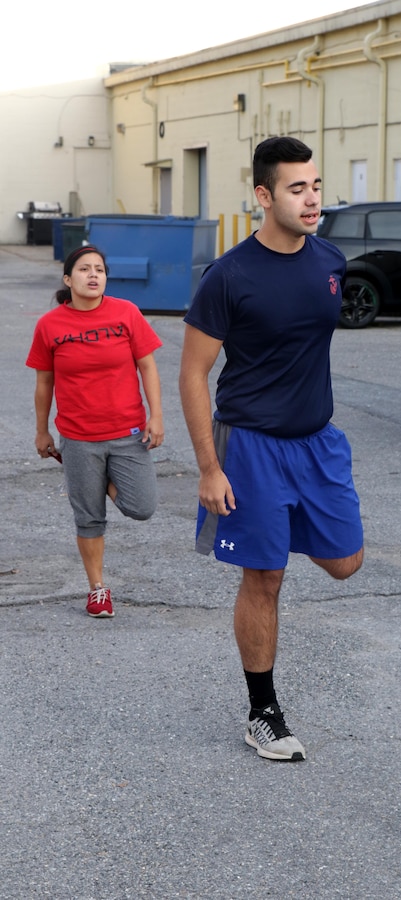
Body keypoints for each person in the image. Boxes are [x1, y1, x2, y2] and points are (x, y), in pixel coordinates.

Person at [179, 136, 364, 762]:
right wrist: (210, 468)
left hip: (318, 444)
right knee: (265, 578)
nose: (312, 199)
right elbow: (193, 375)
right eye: (296, 188)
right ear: (264, 195)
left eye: (315, 186)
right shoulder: (228, 277)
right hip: (250, 447)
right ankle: (264, 712)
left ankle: (281, 529)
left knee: (347, 563)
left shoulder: (330, 261)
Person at [26, 245, 164, 618]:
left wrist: (157, 415)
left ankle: (97, 477)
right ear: (68, 280)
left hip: (128, 430)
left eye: (99, 270)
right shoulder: (50, 326)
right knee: (89, 517)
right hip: (78, 436)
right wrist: (42, 432)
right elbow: (44, 385)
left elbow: (147, 367)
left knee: (142, 507)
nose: (93, 275)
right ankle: (98, 589)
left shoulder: (126, 314)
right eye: (84, 270)